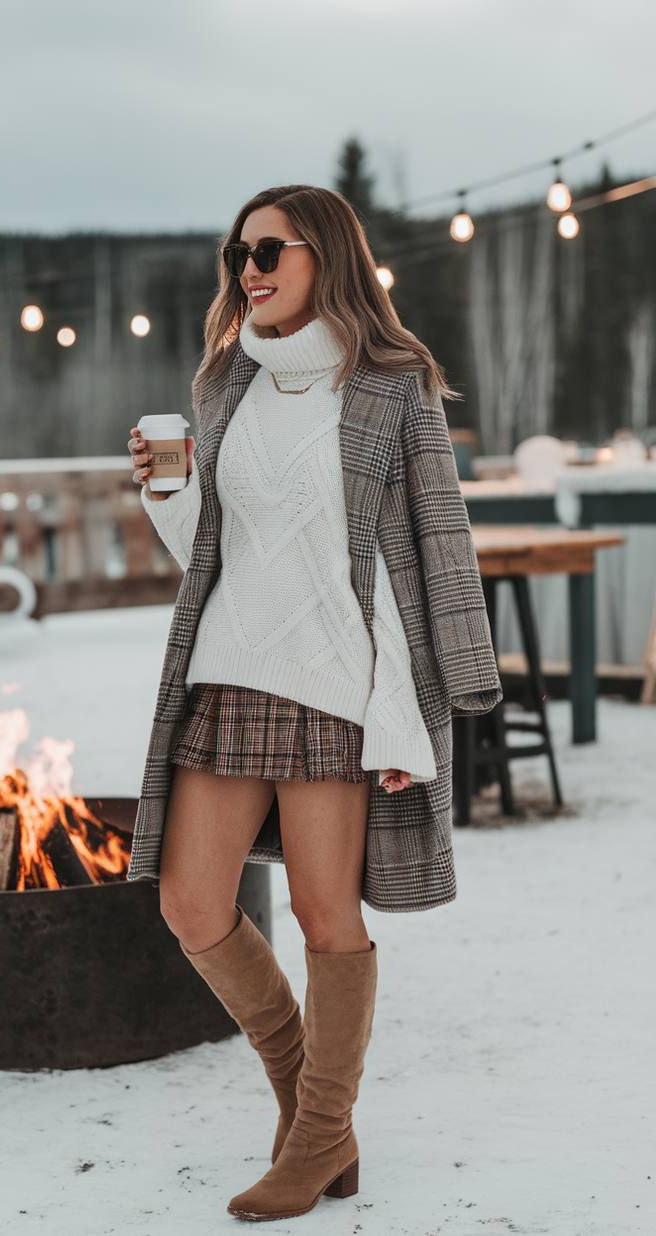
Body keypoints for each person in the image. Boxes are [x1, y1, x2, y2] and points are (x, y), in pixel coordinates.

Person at [126, 185, 501, 1222]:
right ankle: (314, 1115)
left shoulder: (389, 387)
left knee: (321, 912)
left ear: (322, 255)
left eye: (266, 248)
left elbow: (430, 552)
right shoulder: (223, 381)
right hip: (227, 666)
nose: (246, 267)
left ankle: (316, 1133)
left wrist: (413, 714)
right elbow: (216, 550)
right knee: (190, 905)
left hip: (337, 682)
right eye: (235, 252)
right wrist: (169, 495)